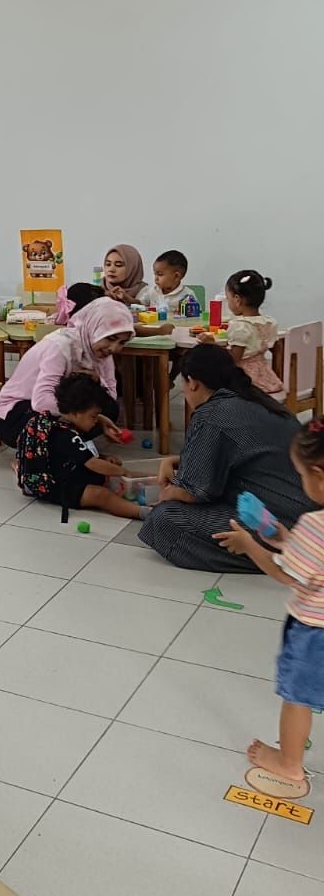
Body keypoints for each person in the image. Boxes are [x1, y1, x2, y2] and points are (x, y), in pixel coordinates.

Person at [214, 418, 324, 799]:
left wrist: (251, 546)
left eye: (300, 475)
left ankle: (289, 764)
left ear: (319, 476)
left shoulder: (317, 524)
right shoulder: (310, 532)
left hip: (315, 631)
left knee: (297, 696)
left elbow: (286, 574)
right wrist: (282, 537)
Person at [139, 344, 310, 572]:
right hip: (309, 516)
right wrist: (173, 461)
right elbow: (233, 455)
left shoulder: (212, 414)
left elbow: (197, 492)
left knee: (165, 519)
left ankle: (274, 556)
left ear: (192, 382)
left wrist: (168, 493)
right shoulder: (257, 399)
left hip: (281, 523)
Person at [0, 296, 134, 449]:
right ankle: (33, 459)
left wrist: (98, 382)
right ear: (94, 328)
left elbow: (109, 397)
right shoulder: (60, 346)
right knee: (48, 420)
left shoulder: (101, 354)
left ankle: (68, 452)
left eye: (121, 342)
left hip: (58, 411)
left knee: (109, 408)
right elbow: (41, 402)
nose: (113, 348)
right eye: (110, 338)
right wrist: (82, 417)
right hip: (17, 415)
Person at [16, 373, 143, 521]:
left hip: (70, 473)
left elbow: (79, 455)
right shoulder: (66, 435)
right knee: (101, 495)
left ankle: (162, 479)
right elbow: (93, 463)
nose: (96, 421)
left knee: (109, 470)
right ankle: (143, 512)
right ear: (75, 413)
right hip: (58, 488)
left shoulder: (62, 422)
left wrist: (105, 459)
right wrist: (122, 472)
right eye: (93, 416)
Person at [216, 268, 282, 396]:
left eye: (228, 299)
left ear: (237, 300)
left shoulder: (240, 326)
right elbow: (277, 347)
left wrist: (213, 346)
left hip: (246, 380)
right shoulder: (268, 322)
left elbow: (234, 359)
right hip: (265, 375)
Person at [139, 249, 192, 316]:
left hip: (176, 326)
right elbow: (139, 304)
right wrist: (127, 298)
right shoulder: (152, 291)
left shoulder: (187, 295)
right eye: (155, 274)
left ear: (176, 276)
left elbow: (196, 315)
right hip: (155, 325)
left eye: (160, 274)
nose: (156, 278)